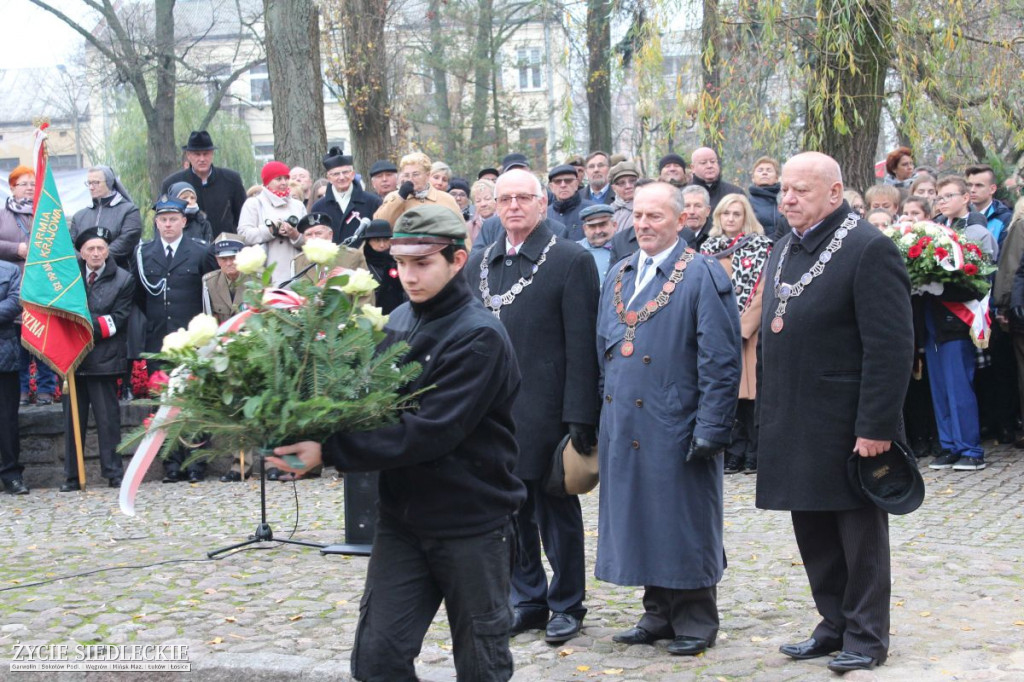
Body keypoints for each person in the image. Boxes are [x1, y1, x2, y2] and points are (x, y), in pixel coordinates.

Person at [268, 205, 526, 681]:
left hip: (472, 524)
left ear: (458, 259)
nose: (408, 275)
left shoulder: (480, 337)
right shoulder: (401, 317)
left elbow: (429, 432)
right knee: (377, 658)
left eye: (422, 263)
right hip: (403, 521)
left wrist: (329, 451)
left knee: (482, 665)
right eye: (401, 263)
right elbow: (364, 401)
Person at [757, 151, 914, 674]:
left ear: (834, 191)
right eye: (784, 190)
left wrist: (876, 426)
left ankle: (867, 637)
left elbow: (890, 346)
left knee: (858, 535)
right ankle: (832, 623)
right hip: (795, 416)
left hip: (848, 423)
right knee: (813, 530)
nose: (788, 199)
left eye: (801, 190)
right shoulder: (783, 247)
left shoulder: (869, 249)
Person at [598, 180, 740, 656]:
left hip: (677, 420)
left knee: (684, 519)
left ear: (682, 221)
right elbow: (606, 350)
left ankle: (696, 619)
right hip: (627, 421)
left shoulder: (702, 274)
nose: (643, 225)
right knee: (642, 515)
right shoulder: (619, 273)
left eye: (655, 216)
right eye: (637, 216)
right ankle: (657, 611)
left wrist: (712, 427)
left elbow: (721, 360)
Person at [466, 168, 600, 644]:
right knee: (511, 515)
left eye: (524, 198)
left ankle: (567, 603)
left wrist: (582, 417)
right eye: (506, 199)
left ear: (543, 204)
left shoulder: (569, 260)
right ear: (495, 205)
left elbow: (582, 344)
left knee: (555, 514)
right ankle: (529, 599)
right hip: (493, 414)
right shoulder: (480, 264)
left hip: (549, 412)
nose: (515, 207)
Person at [133, 198, 218, 483]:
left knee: (194, 401)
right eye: (163, 219)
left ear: (184, 221)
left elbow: (208, 292)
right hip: (159, 338)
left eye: (173, 219)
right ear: (156, 222)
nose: (168, 224)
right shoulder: (144, 252)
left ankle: (195, 463)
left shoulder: (200, 250)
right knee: (162, 403)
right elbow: (140, 298)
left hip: (192, 339)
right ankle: (170, 463)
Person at [700, 193, 772, 474]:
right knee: (728, 395)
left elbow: (764, 291)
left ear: (746, 217)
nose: (731, 219)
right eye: (726, 213)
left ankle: (754, 452)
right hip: (718, 333)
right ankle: (734, 450)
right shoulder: (708, 249)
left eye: (736, 214)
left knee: (752, 397)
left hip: (749, 335)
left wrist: (742, 328)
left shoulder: (761, 247)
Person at [60, 227, 135, 491]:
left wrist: (78, 326)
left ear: (107, 251)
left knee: (108, 421)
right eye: (90, 249)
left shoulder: (124, 279)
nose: (95, 253)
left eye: (100, 248)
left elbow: (117, 320)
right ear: (81, 252)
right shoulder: (67, 277)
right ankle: (71, 475)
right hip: (72, 360)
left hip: (104, 360)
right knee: (72, 423)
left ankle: (113, 473)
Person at [0, 166, 57, 407]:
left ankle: (45, 389)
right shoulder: (2, 215)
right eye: (24, 184)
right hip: (13, 287)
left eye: (33, 184)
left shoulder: (46, 214)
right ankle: (23, 390)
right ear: (12, 187)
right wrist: (16, 250)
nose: (30, 188)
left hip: (43, 287)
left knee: (44, 339)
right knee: (20, 342)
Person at [160, 131, 247, 234]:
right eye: (197, 154)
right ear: (188, 155)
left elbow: (243, 218)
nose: (202, 159)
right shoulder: (172, 184)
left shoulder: (231, 180)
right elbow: (161, 220)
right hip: (187, 247)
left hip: (226, 246)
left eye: (206, 154)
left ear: (212, 154)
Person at [237, 161, 308, 286]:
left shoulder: (298, 205)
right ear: (267, 181)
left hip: (295, 272)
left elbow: (308, 238)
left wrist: (294, 235)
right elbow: (243, 235)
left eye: (286, 178)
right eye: (278, 179)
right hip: (264, 272)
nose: (283, 182)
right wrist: (270, 230)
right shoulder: (254, 204)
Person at [310, 148, 382, 245]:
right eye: (336, 174)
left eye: (345, 172)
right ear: (329, 178)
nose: (342, 177)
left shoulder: (372, 202)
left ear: (353, 174)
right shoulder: (318, 207)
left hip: (364, 259)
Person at [375, 152, 462, 227]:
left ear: (427, 176)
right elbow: (379, 224)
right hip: (403, 245)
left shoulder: (446, 199)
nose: (410, 179)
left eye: (415, 174)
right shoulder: (393, 197)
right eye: (406, 175)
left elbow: (462, 230)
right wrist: (400, 197)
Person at [0, 260, 27, 495]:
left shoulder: (10, 270)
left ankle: (11, 475)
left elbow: (16, 302)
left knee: (7, 421)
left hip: (3, 358)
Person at [289, 213, 367, 286]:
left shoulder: (353, 257)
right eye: (309, 235)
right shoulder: (297, 262)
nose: (314, 238)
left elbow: (365, 294)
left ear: (330, 235)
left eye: (318, 233)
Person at [202, 234, 248, 325]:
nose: (228, 263)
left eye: (233, 257)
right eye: (223, 259)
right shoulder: (210, 283)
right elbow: (210, 320)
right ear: (217, 260)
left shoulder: (257, 281)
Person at [361, 219, 405, 313]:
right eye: (377, 240)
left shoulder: (398, 260)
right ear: (368, 241)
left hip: (396, 314)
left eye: (385, 240)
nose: (382, 245)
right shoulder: (361, 262)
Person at [965, 164, 1014, 245]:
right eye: (969, 185)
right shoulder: (960, 215)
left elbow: (1004, 254)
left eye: (979, 185)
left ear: (992, 189)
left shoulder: (1005, 218)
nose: (972, 190)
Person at [547, 164, 593, 241]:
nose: (563, 185)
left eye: (568, 181)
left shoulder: (591, 210)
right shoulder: (545, 215)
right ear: (551, 187)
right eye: (558, 181)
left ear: (576, 184)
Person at [748, 156, 788, 239]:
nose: (764, 173)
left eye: (769, 170)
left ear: (777, 178)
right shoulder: (747, 203)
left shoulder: (785, 199)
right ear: (753, 178)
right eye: (760, 170)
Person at [577, 204, 615, 282]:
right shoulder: (575, 250)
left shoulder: (625, 247)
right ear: (584, 229)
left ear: (614, 225)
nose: (598, 231)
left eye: (602, 225)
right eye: (592, 226)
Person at [679, 185, 713, 249]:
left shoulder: (718, 236)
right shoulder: (672, 235)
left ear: (708, 211)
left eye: (698, 206)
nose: (692, 212)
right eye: (687, 206)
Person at [608, 161, 639, 234]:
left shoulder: (646, 207)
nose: (628, 186)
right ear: (614, 188)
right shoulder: (609, 211)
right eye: (622, 183)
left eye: (632, 181)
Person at [468, 179, 496, 244]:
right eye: (478, 201)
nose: (483, 204)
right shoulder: (469, 227)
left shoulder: (505, 221)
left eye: (487, 199)